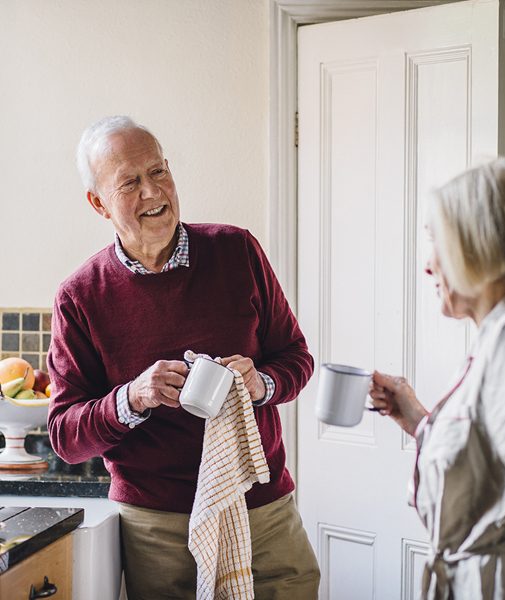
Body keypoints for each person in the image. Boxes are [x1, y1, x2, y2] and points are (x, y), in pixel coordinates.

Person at [47, 116, 320, 600]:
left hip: (262, 509)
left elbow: (296, 357)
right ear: (99, 204)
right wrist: (132, 398)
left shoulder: (236, 251)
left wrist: (261, 384)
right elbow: (65, 436)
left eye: (159, 172)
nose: (153, 193)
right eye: (130, 183)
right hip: (157, 526)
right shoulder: (80, 296)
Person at [369, 158, 505, 600]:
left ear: (477, 244)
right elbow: (491, 462)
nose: (429, 267)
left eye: (436, 241)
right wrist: (417, 419)